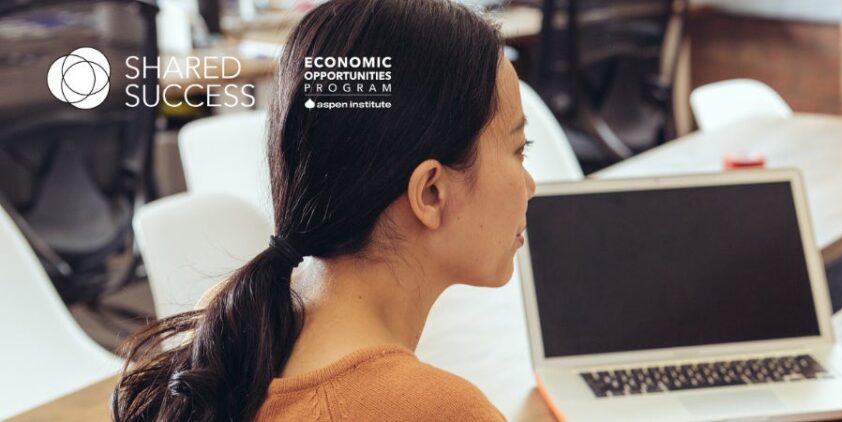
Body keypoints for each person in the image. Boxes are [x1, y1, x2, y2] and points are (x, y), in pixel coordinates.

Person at [112, 0, 534, 420]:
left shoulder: (232, 319)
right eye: (519, 150)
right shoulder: (446, 411)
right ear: (431, 193)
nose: (530, 186)